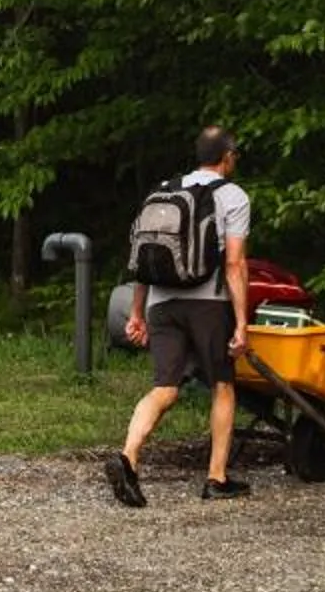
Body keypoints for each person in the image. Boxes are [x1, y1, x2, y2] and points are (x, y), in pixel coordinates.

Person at [104, 125, 253, 506]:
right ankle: (216, 479)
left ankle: (128, 457)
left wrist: (136, 312)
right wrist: (240, 323)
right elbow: (234, 264)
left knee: (165, 388)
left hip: (161, 303)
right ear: (228, 157)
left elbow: (146, 259)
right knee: (222, 384)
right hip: (208, 303)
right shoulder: (232, 196)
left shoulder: (164, 190)